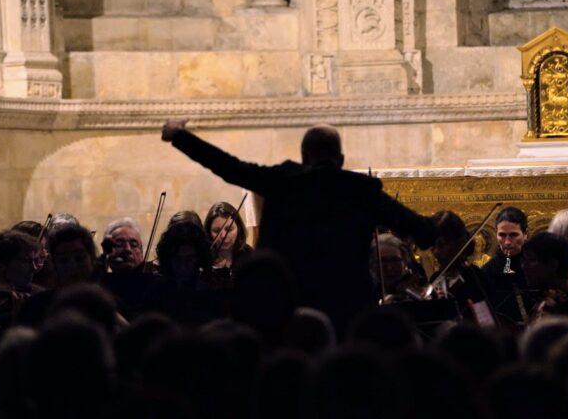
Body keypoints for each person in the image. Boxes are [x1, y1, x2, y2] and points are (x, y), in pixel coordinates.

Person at [162, 119, 435, 332]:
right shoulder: (362, 190)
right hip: (348, 310)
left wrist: (179, 136)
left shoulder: (283, 180)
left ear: (304, 156)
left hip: (288, 309)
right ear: (340, 160)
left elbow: (229, 166)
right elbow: (422, 231)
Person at [482, 206, 530, 323]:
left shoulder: (537, 266)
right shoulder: (487, 271)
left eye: (514, 235)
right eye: (502, 235)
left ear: (525, 234)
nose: (507, 242)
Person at [204, 200, 253, 274]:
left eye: (229, 229)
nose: (223, 236)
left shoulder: (249, 254)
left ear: (238, 228)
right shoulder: (203, 257)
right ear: (208, 232)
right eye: (216, 231)